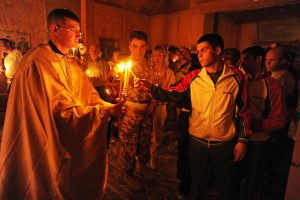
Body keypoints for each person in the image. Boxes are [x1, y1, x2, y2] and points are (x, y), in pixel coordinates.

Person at [0, 8, 122, 200]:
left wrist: (105, 106)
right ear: (55, 29)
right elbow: (61, 113)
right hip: (38, 133)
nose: (79, 35)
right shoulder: (38, 63)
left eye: (79, 31)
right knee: (39, 180)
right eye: (73, 29)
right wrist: (101, 112)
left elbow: (86, 95)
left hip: (59, 133)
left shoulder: (69, 62)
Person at [135, 33, 252, 200]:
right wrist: (152, 89)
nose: (200, 55)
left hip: (224, 144)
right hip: (197, 142)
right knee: (196, 185)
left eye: (204, 50)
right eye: (198, 51)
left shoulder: (236, 78)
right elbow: (173, 93)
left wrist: (242, 140)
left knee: (227, 186)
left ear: (218, 50)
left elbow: (244, 111)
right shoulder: (194, 77)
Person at [239, 45, 287, 200]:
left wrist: (253, 125)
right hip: (238, 140)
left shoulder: (273, 85)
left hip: (258, 143)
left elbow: (279, 120)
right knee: (237, 178)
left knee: (253, 183)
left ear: (258, 59)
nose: (242, 63)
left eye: (246, 59)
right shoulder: (241, 80)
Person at [118, 30, 153, 191]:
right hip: (131, 111)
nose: (139, 50)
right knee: (129, 144)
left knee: (145, 141)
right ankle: (127, 174)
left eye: (142, 47)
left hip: (147, 111)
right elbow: (121, 90)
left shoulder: (149, 64)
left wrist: (154, 101)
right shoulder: (125, 66)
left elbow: (155, 86)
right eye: (135, 46)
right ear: (129, 46)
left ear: (146, 47)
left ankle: (142, 166)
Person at [147, 45, 175, 170]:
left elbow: (170, 91)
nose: (156, 58)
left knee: (157, 132)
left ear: (164, 57)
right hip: (147, 104)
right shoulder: (148, 70)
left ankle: (153, 156)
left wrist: (157, 98)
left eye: (159, 55)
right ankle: (143, 156)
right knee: (146, 132)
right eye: (154, 55)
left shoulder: (169, 73)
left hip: (160, 105)